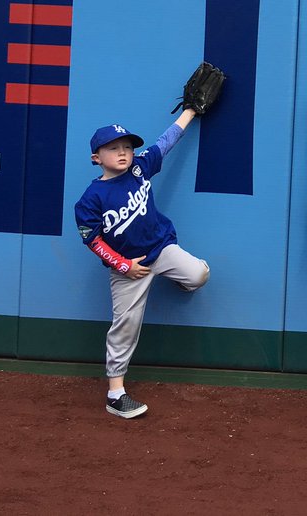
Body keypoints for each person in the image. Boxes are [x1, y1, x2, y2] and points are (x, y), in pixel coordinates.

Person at [74, 110, 210, 418]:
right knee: (125, 327)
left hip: (160, 249)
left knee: (199, 275)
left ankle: (178, 279)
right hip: (128, 268)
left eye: (127, 147)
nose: (123, 152)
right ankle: (115, 394)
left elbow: (166, 142)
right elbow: (93, 241)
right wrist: (124, 265)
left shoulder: (139, 168)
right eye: (113, 148)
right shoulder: (90, 199)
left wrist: (189, 111)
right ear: (96, 158)